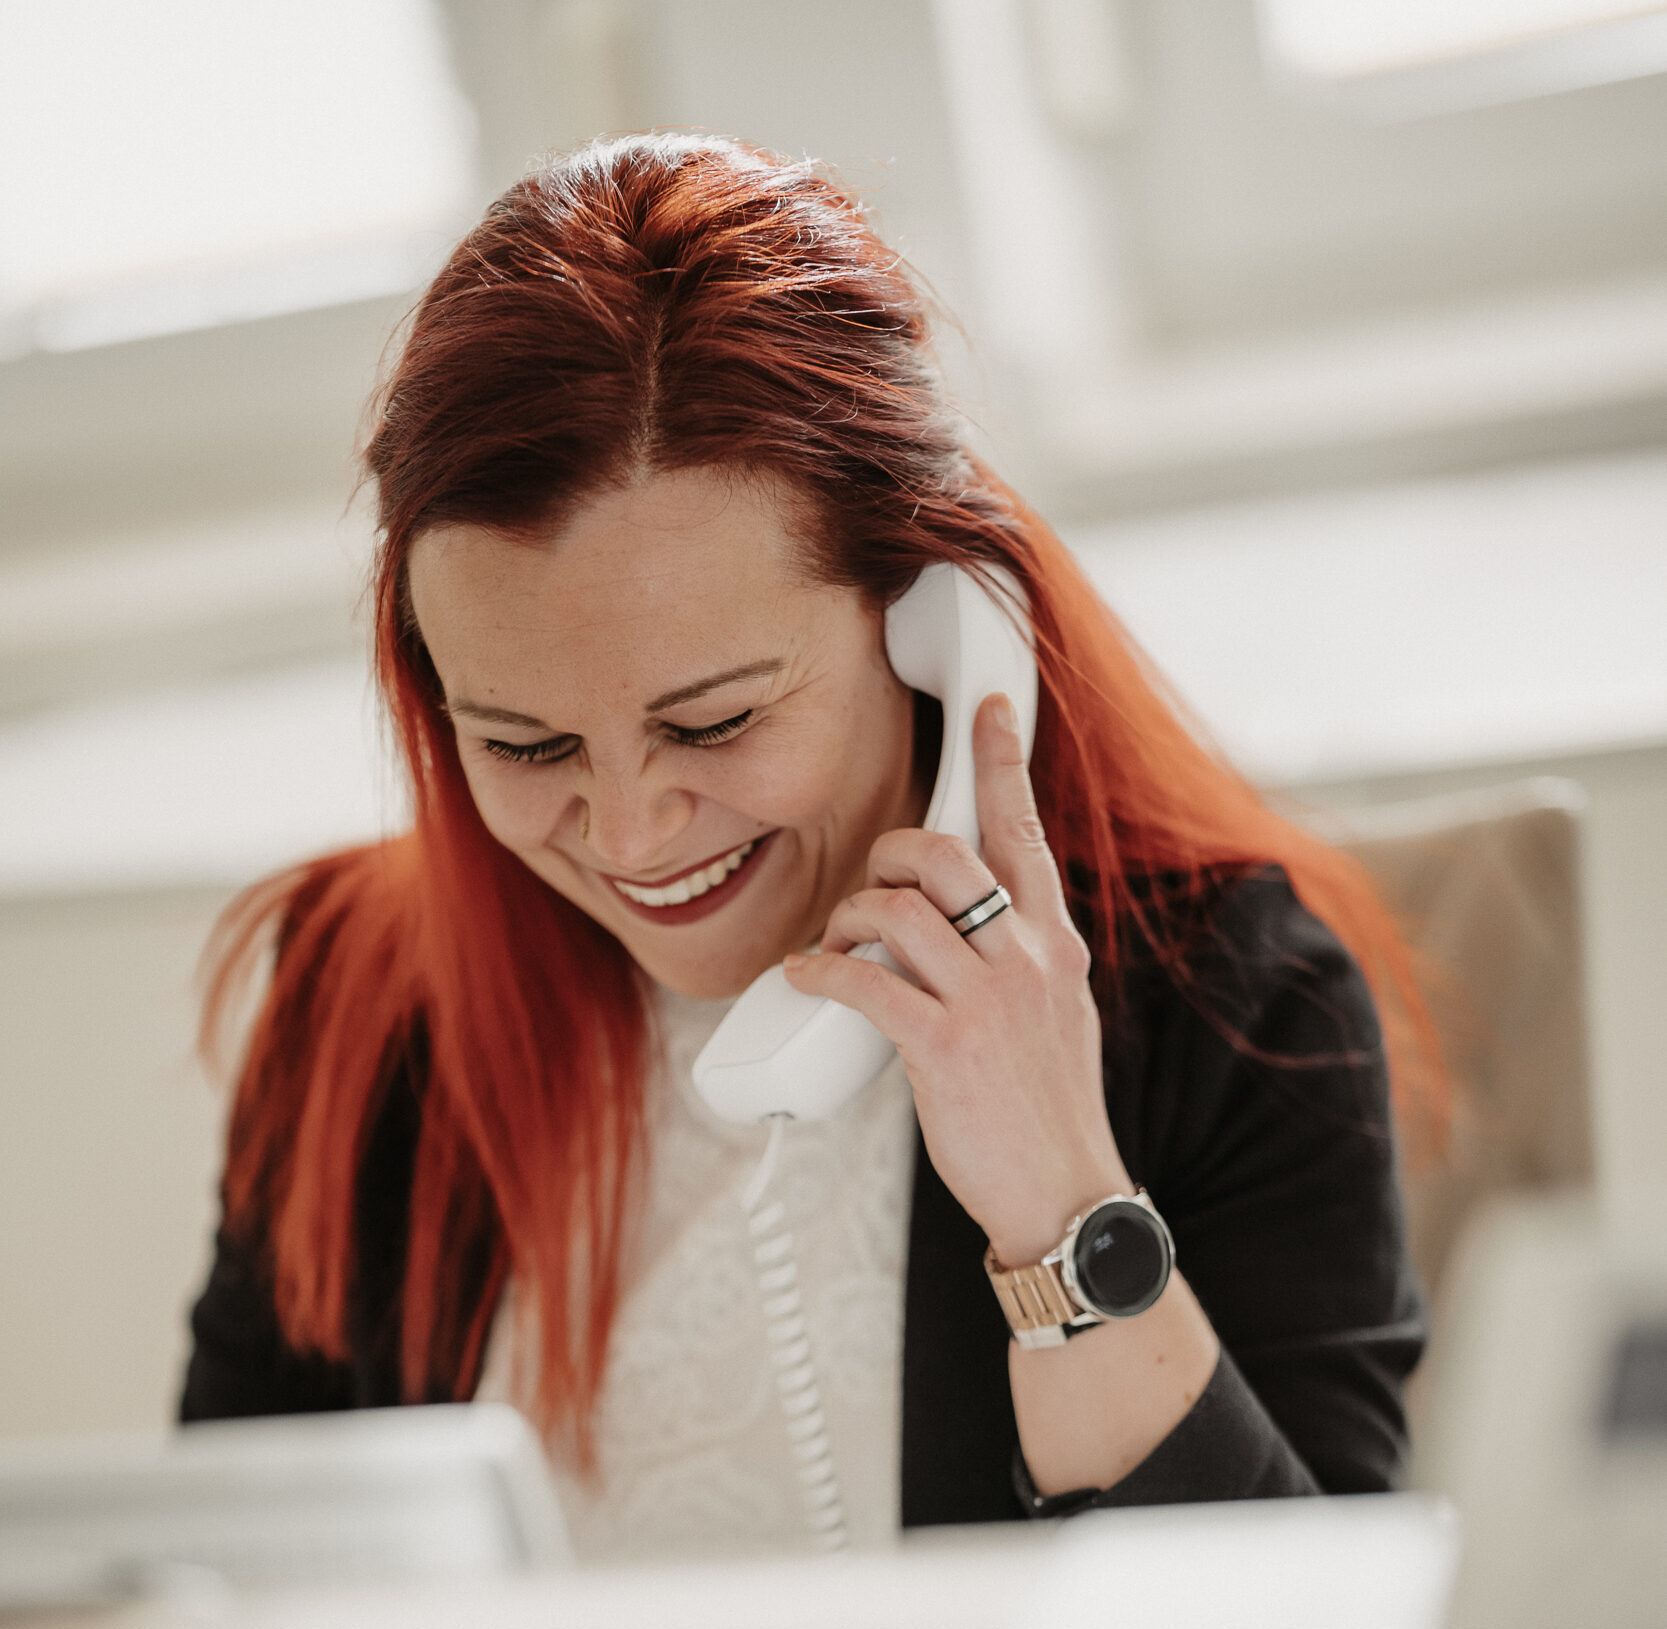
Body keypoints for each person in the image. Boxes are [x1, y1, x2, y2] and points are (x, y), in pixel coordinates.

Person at [181, 133, 1442, 1560]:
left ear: (930, 623)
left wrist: (1060, 1204)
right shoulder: (361, 1001)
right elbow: (219, 1575)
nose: (631, 830)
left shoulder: (1228, 998)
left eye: (712, 723)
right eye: (524, 745)